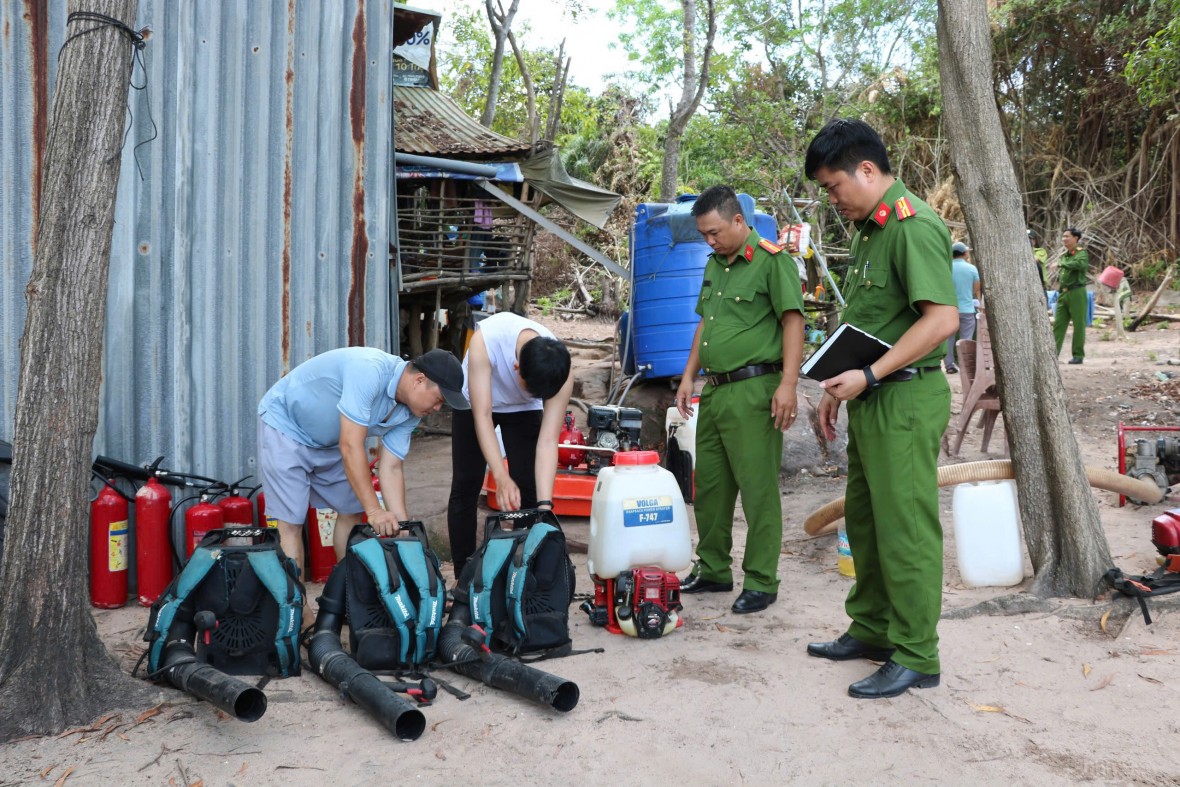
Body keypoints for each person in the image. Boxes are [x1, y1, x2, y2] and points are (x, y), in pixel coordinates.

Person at [802, 119, 959, 699]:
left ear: (866, 170)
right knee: (865, 522)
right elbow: (871, 323)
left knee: (905, 529)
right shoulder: (871, 230)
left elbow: (940, 320)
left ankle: (917, 653)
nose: (831, 199)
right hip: (872, 396)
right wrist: (833, 387)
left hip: (906, 398)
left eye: (834, 186)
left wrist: (869, 375)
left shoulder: (912, 226)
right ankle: (871, 629)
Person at [674, 185, 805, 615]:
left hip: (755, 390)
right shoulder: (715, 266)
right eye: (703, 235)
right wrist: (689, 375)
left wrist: (788, 384)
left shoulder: (772, 260)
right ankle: (713, 568)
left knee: (757, 489)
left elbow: (792, 322)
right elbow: (703, 325)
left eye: (714, 232)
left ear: (737, 220)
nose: (709, 241)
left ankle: (762, 580)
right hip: (713, 391)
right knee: (709, 487)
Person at [257, 347, 468, 578]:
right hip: (287, 427)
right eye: (439, 399)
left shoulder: (411, 412)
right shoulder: (370, 370)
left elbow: (391, 467)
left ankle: (346, 595)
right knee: (291, 523)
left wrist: (403, 528)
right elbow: (350, 445)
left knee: (352, 511)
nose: (437, 409)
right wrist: (375, 511)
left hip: (331, 442)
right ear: (419, 380)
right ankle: (298, 609)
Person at [447, 312, 573, 578]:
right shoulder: (487, 341)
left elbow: (549, 441)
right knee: (466, 485)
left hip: (522, 411)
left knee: (530, 489)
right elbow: (482, 416)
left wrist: (545, 504)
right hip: (476, 403)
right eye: (531, 389)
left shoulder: (559, 369)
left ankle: (526, 573)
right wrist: (500, 476)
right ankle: (464, 576)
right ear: (516, 367)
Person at [944, 241, 981, 375]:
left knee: (949, 338)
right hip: (967, 309)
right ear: (965, 253)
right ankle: (966, 366)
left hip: (950, 309)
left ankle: (949, 365)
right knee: (967, 338)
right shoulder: (971, 269)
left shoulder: (947, 268)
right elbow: (977, 289)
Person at [1053, 227, 1090, 364]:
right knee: (1059, 324)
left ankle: (1078, 355)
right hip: (1064, 293)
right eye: (1063, 236)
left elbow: (1079, 264)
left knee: (1078, 324)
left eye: (1067, 236)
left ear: (1076, 238)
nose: (1064, 239)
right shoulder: (1064, 255)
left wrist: (1061, 264)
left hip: (1077, 292)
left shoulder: (1081, 253)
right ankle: (1053, 354)